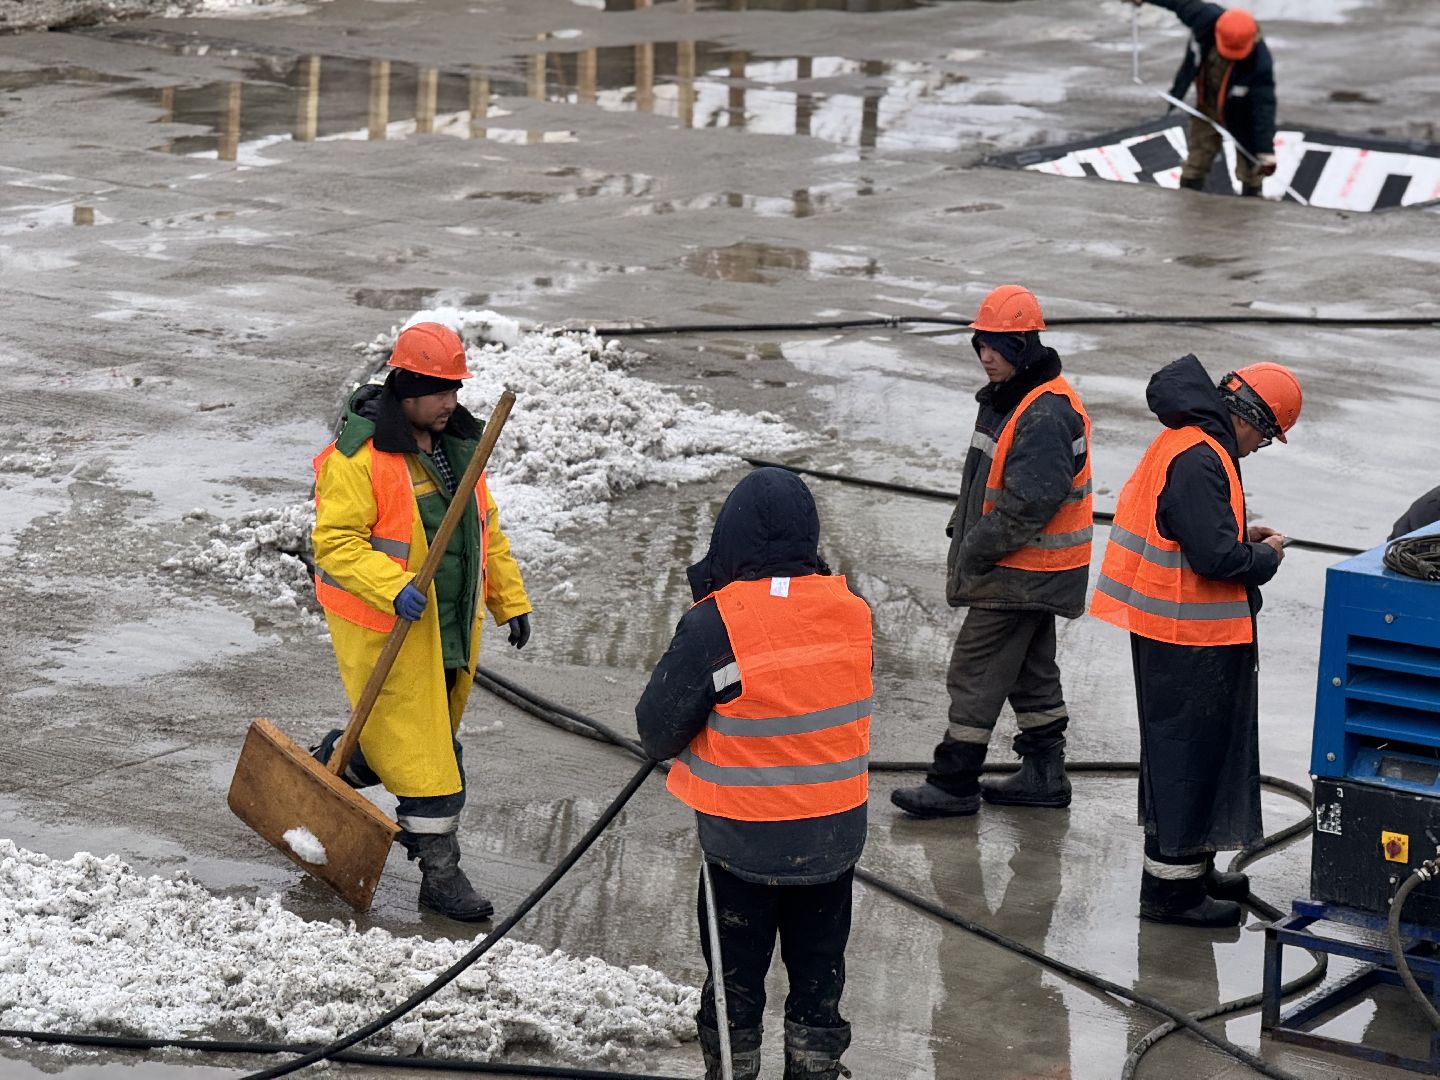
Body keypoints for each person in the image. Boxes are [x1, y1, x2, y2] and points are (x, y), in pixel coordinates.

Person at [636, 467, 872, 1080]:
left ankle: (733, 1069)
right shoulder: (853, 613)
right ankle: (815, 1069)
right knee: (819, 973)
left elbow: (657, 730)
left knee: (734, 979)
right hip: (831, 842)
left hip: (743, 844)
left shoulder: (717, 623)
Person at [309, 320, 532, 922]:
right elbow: (335, 544)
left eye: (456, 390)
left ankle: (328, 765)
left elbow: (487, 533)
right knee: (432, 757)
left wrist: (508, 600)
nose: (451, 402)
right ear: (406, 387)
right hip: (390, 627)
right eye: (440, 390)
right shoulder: (358, 458)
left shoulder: (460, 447)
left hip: (450, 627)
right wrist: (395, 586)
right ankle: (440, 873)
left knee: (400, 737)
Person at [1090, 355, 1302, 927]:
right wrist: (1265, 555)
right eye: (1266, 435)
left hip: (1185, 634)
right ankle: (1171, 894)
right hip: (1187, 640)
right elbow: (1215, 559)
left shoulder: (1190, 444)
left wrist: (1240, 533)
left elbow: (1197, 532)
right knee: (1185, 759)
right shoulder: (1200, 457)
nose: (1260, 448)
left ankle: (1193, 869)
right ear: (1250, 416)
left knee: (1197, 757)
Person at [891, 285, 1093, 819]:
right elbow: (996, 481)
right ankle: (1045, 774)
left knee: (975, 670)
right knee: (1031, 670)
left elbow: (1029, 503)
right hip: (1030, 569)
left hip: (1020, 569)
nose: (986, 355)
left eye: (998, 345)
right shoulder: (1018, 398)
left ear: (1024, 345)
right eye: (981, 344)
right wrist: (966, 521)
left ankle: (955, 780)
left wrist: (975, 550)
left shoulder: (1044, 412)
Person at [1129, 0, 1277, 196]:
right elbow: (1178, 2)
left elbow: (1264, 107)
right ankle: (1188, 200)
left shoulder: (1258, 63)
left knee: (1251, 166)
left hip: (1242, 114)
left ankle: (1251, 205)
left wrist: (1265, 151)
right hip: (1207, 105)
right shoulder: (1204, 17)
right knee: (1198, 157)